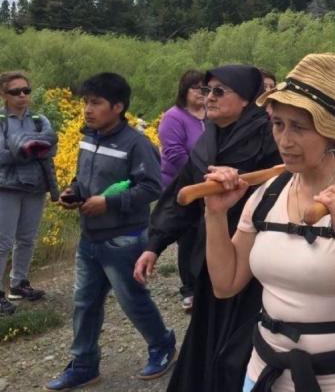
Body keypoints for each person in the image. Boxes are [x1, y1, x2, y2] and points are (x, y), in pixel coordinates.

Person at [201, 53, 335, 391]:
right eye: (278, 124)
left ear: (330, 132)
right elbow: (225, 284)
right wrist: (215, 213)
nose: (284, 140)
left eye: (299, 127)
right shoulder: (270, 192)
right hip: (266, 371)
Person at [135, 64, 281, 392]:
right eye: (206, 90)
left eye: (219, 91)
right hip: (212, 258)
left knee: (241, 353)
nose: (208, 98)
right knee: (210, 342)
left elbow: (287, 185)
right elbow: (180, 198)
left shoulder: (270, 136)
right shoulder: (208, 139)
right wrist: (154, 245)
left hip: (255, 265)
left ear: (246, 100)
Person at [46, 73, 175, 391]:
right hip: (89, 237)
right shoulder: (88, 136)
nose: (88, 109)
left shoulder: (136, 144)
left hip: (124, 239)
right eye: (85, 102)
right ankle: (85, 364)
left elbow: (152, 187)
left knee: (132, 299)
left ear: (118, 107)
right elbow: (82, 177)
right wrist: (73, 191)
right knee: (85, 302)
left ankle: (162, 344)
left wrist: (109, 203)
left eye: (96, 103)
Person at [0, 71, 58, 315]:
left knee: (27, 238)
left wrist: (22, 146)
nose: (22, 96)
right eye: (15, 91)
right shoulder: (2, 122)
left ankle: (19, 283)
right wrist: (28, 148)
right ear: (3, 94)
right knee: (3, 242)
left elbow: (51, 146)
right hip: (7, 188)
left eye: (26, 90)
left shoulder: (39, 120)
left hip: (35, 186)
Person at [157, 69, 207, 311]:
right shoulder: (173, 117)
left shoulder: (209, 116)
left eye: (206, 89)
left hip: (207, 186)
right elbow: (175, 154)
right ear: (184, 91)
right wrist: (203, 175)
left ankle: (205, 284)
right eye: (197, 88)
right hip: (183, 186)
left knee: (206, 235)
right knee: (188, 237)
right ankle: (189, 289)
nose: (202, 93)